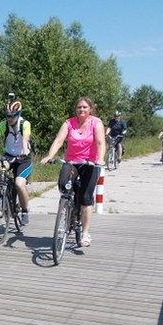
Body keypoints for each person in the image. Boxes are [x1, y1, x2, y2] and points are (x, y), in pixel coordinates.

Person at [40, 96, 106, 247]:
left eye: (85, 107)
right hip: (72, 162)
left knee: (86, 198)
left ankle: (85, 233)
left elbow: (101, 142)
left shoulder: (96, 123)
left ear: (90, 109)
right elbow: (58, 140)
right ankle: (69, 208)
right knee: (64, 186)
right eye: (79, 107)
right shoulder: (69, 123)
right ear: (75, 109)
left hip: (90, 164)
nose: (81, 110)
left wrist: (100, 159)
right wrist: (50, 155)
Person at [0, 95, 33, 225]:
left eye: (12, 116)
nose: (10, 119)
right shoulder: (3, 124)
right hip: (9, 155)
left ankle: (25, 210)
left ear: (18, 114)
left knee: (19, 184)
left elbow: (25, 139)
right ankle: (0, 194)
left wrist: (25, 151)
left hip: (23, 158)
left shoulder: (24, 124)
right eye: (8, 116)